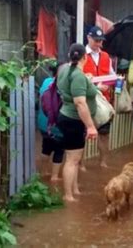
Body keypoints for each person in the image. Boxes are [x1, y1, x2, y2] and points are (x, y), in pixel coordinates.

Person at [57, 43, 98, 202]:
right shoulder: (78, 76)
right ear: (84, 57)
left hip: (66, 117)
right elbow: (80, 102)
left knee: (73, 159)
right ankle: (68, 196)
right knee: (72, 160)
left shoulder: (64, 70)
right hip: (73, 120)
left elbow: (69, 88)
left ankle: (75, 190)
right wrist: (90, 126)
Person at [83, 26, 115, 168]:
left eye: (101, 41)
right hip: (86, 101)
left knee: (104, 134)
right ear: (88, 38)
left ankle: (103, 162)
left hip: (104, 101)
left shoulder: (106, 56)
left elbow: (111, 74)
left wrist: (115, 81)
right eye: (96, 41)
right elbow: (78, 78)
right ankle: (81, 164)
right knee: (83, 135)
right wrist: (95, 87)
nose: (99, 44)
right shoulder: (81, 55)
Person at [38, 64, 64, 181]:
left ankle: (43, 172)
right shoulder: (64, 86)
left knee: (46, 148)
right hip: (57, 125)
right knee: (59, 150)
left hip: (44, 123)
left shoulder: (46, 82)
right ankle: (54, 177)